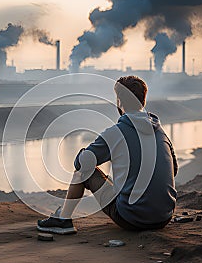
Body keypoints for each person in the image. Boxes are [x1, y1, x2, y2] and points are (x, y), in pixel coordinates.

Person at [37, 75, 178, 234]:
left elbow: (81, 164)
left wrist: (85, 153)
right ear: (143, 101)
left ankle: (63, 220)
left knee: (83, 173)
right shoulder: (161, 132)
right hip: (164, 217)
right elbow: (174, 170)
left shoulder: (116, 133)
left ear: (119, 102)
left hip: (132, 218)